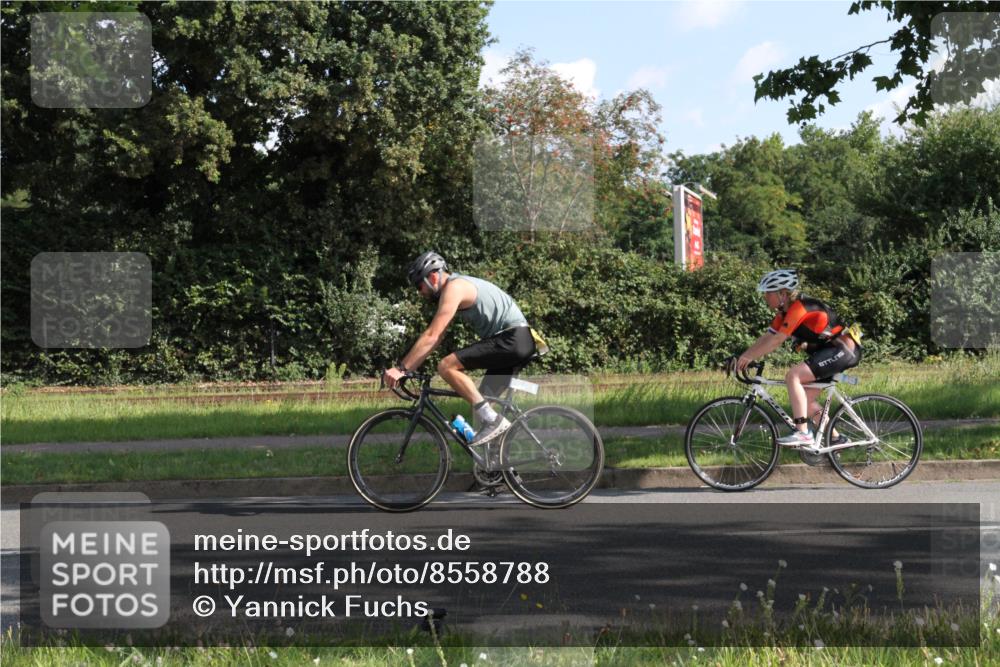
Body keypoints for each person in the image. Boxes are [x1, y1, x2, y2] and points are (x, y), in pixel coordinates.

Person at [382, 251, 539, 445]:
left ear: (433, 277)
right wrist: (407, 368)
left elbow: (432, 335)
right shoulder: (457, 287)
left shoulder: (454, 287)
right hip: (518, 340)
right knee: (480, 406)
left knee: (446, 366)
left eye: (419, 285)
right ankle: (496, 462)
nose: (419, 292)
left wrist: (401, 369)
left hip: (513, 338)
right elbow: (437, 338)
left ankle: (493, 421)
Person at [730, 269, 863, 446]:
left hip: (843, 349)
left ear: (783, 294)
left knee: (793, 376)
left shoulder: (800, 307)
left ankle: (803, 433)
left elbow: (777, 340)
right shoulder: (784, 313)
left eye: (768, 293)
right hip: (829, 351)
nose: (765, 297)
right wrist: (744, 356)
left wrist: (748, 357)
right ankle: (836, 439)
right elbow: (768, 337)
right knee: (804, 401)